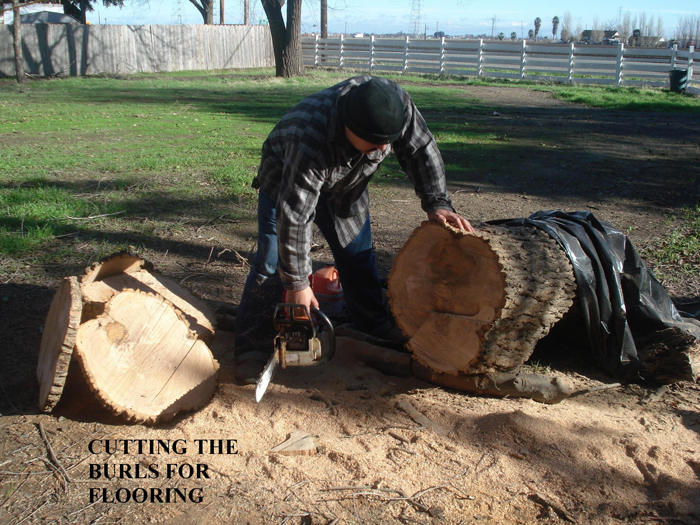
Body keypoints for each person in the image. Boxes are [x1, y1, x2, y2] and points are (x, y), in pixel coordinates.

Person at [233, 75, 474, 383]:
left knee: (358, 256)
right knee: (270, 263)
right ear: (349, 127)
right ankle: (252, 347)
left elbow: (421, 150)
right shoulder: (312, 135)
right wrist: (296, 283)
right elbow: (296, 214)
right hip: (284, 182)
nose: (383, 148)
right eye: (375, 143)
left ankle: (371, 325)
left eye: (387, 141)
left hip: (347, 189)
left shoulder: (395, 106)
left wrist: (438, 202)